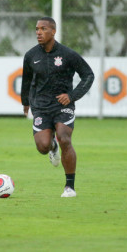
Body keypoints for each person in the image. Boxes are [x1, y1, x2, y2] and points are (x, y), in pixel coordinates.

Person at [21, 17, 94, 198]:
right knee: (42, 146)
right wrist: (25, 102)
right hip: (41, 107)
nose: (38, 32)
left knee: (65, 138)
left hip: (63, 106)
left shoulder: (67, 54)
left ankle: (69, 187)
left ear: (53, 31)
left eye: (43, 29)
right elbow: (27, 80)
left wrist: (72, 96)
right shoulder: (31, 56)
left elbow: (88, 75)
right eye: (37, 29)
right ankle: (52, 147)